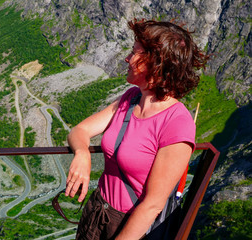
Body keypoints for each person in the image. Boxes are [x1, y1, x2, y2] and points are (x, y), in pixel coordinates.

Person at [65, 19, 209, 239]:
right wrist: (83, 153)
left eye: (134, 52)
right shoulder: (131, 99)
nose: (127, 58)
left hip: (128, 226)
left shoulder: (177, 123)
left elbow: (152, 205)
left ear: (156, 63)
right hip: (96, 212)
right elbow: (79, 131)